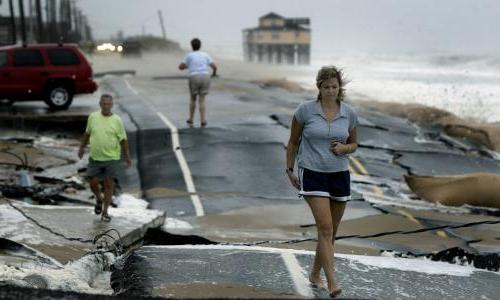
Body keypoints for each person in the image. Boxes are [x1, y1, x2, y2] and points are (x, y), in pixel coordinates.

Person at [285, 66, 358, 298]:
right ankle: (332, 281)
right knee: (325, 228)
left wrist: (344, 148)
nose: (330, 91)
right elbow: (293, 142)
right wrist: (290, 169)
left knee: (330, 233)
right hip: (312, 172)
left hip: (339, 175)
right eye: (326, 87)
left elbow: (355, 143)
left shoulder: (349, 113)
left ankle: (315, 274)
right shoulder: (305, 111)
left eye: (334, 87)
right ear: (319, 87)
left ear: (339, 88)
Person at [78, 94, 131, 222]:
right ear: (100, 104)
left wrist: (127, 156)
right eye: (104, 104)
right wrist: (81, 147)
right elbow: (87, 133)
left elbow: (123, 140)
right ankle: (98, 198)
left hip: (111, 158)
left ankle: (105, 212)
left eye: (108, 104)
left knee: (108, 184)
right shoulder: (93, 117)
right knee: (93, 183)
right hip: (95, 157)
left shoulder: (117, 120)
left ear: (112, 105)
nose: (106, 106)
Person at [178, 38, 217, 127]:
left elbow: (180, 67)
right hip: (205, 76)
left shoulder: (189, 55)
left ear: (191, 46)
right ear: (200, 45)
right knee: (202, 100)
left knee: (193, 99)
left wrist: (187, 66)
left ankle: (191, 119)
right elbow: (215, 67)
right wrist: (214, 74)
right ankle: (203, 120)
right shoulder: (206, 55)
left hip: (194, 77)